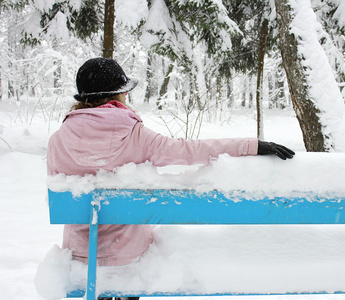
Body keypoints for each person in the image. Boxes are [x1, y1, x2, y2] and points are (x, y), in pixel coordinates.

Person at [47, 57, 295, 299]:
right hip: (130, 258)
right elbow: (190, 150)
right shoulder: (136, 135)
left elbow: (57, 196)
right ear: (116, 96)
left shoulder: (57, 140)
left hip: (81, 257)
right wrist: (250, 146)